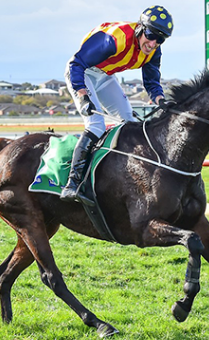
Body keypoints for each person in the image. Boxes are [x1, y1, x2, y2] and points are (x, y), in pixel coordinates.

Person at [61, 5, 174, 203]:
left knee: (129, 123)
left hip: (105, 75)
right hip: (82, 73)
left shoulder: (154, 51)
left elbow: (152, 83)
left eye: (160, 39)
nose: (153, 43)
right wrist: (82, 94)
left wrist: (161, 101)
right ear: (140, 28)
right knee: (96, 125)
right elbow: (76, 64)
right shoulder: (115, 39)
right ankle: (73, 184)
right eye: (150, 35)